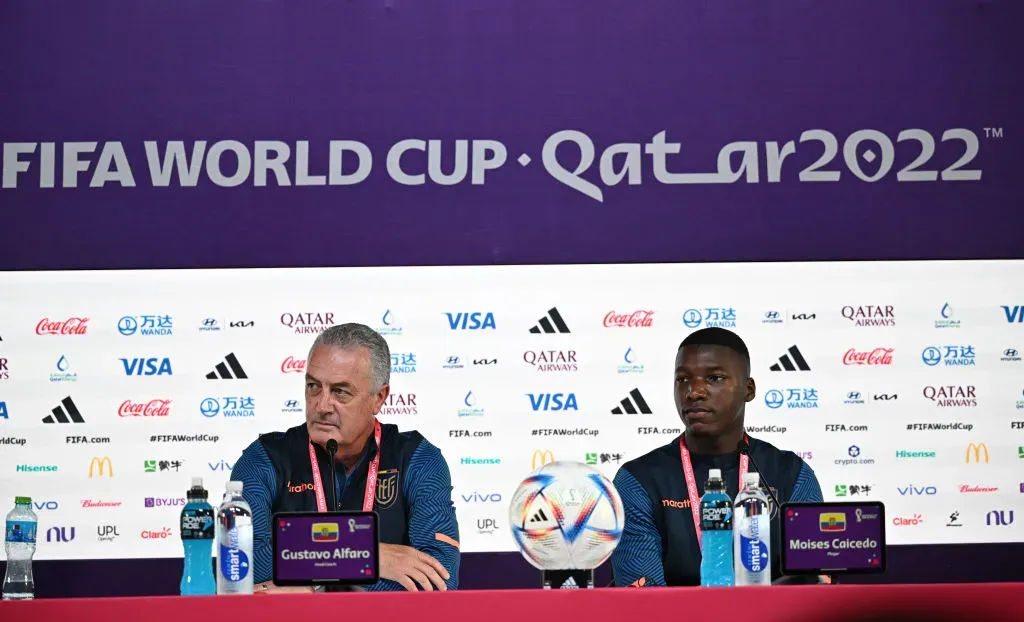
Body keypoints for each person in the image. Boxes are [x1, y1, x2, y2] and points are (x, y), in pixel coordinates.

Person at [231, 323, 460, 592]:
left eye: (340, 391)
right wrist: (369, 556)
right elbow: (239, 565)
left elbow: (439, 582)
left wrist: (308, 586)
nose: (322, 405)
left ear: (379, 398)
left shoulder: (417, 459)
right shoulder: (264, 459)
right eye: (313, 386)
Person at [610, 327, 825, 587]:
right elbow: (644, 601)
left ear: (749, 389)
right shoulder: (638, 480)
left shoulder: (792, 474)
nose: (694, 392)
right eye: (682, 380)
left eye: (714, 378)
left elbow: (812, 588)